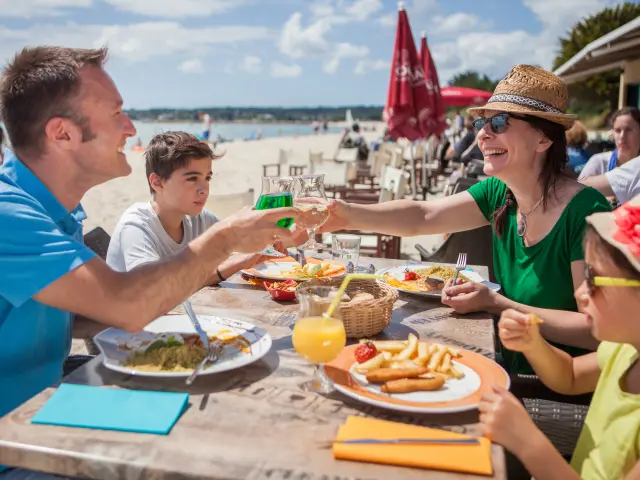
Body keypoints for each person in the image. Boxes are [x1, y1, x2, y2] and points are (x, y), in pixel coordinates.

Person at [0, 46, 296, 478]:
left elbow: (75, 314)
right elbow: (126, 306)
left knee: (239, 413)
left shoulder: (56, 212)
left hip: (49, 410)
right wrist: (227, 238)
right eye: (116, 113)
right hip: (21, 446)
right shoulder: (9, 214)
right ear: (62, 133)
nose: (130, 128)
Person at [320, 65, 611, 375]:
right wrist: (345, 214)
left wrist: (497, 304)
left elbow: (597, 329)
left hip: (554, 384)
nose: (483, 134)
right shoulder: (501, 192)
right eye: (481, 122)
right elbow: (423, 215)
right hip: (502, 362)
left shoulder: (587, 212)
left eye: (499, 123)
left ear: (543, 139)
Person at [479, 197, 640, 479]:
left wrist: (528, 442)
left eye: (594, 280)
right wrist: (534, 344)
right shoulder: (625, 350)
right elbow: (571, 375)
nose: (579, 292)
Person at [107, 131, 285, 278]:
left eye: (207, 178)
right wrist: (238, 261)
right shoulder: (137, 224)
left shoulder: (199, 219)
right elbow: (151, 287)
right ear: (157, 183)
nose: (204, 189)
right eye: (192, 178)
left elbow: (238, 247)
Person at [578, 107, 640, 179]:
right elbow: (578, 189)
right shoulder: (599, 163)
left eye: (628, 130)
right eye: (617, 130)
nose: (622, 136)